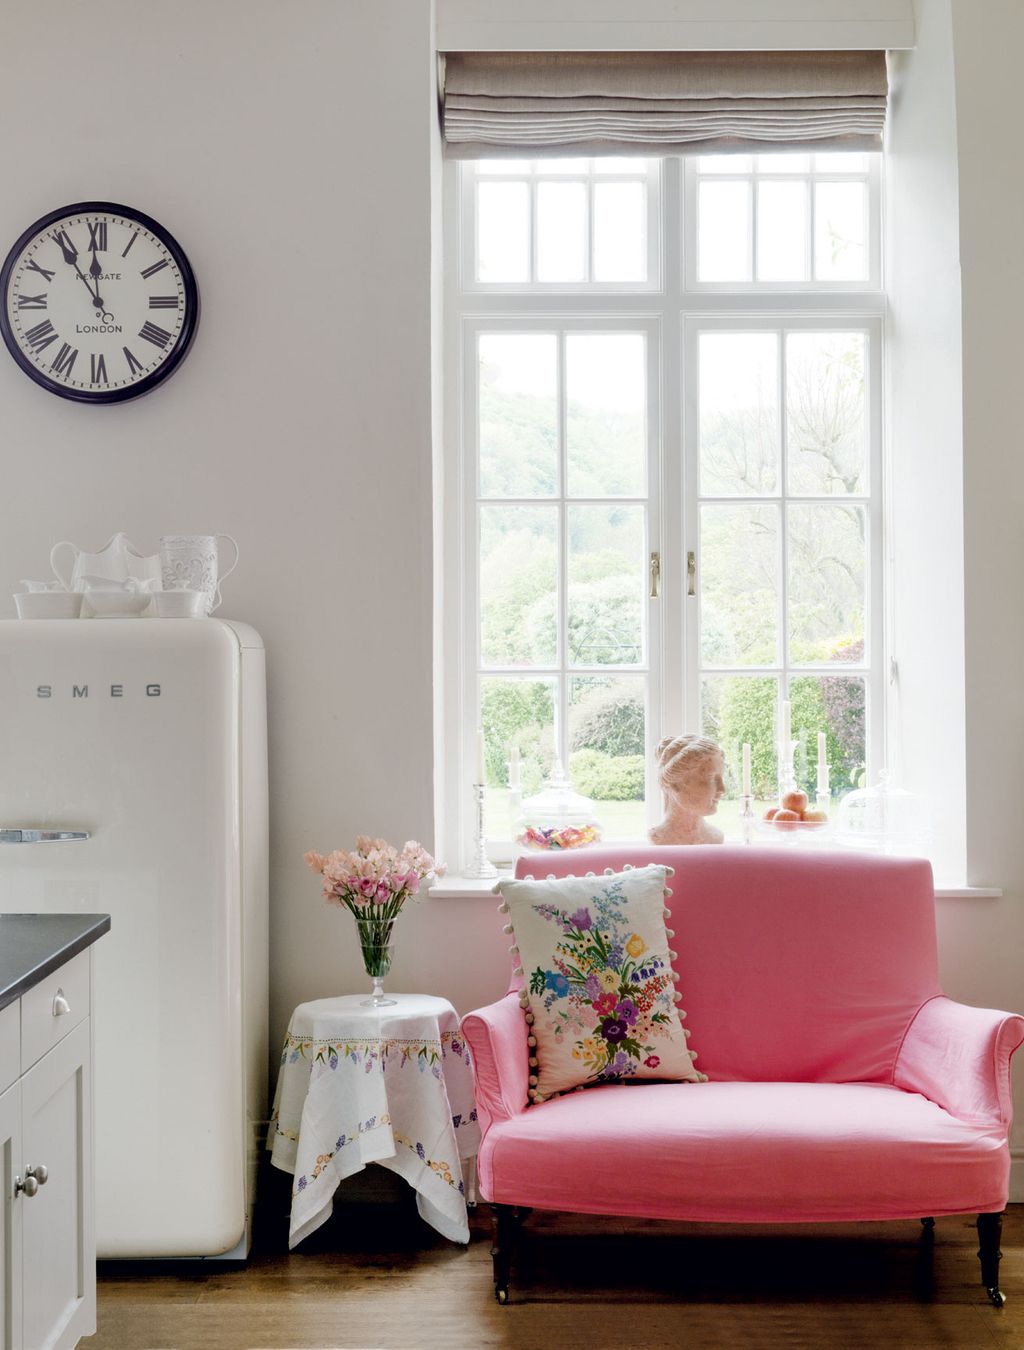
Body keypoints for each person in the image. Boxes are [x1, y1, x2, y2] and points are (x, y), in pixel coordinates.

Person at [649, 735, 726, 845]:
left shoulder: (715, 837)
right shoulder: (659, 839)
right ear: (675, 784)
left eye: (720, 777)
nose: (722, 789)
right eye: (710, 778)